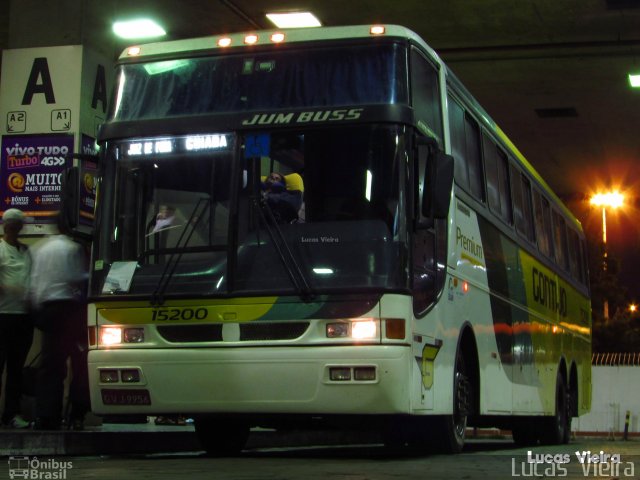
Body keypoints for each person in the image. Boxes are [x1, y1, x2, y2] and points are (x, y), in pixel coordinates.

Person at [30, 213, 89, 430]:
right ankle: (77, 414)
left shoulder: (39, 249)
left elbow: (34, 284)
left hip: (46, 310)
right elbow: (77, 278)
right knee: (79, 362)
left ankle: (46, 416)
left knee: (49, 366)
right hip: (69, 310)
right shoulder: (72, 249)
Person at [0, 208, 33, 429]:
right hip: (3, 316)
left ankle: (11, 414)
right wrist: (9, 288)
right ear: (4, 226)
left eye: (16, 225)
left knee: (16, 369)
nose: (13, 228)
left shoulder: (26, 251)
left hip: (24, 317)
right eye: (10, 225)